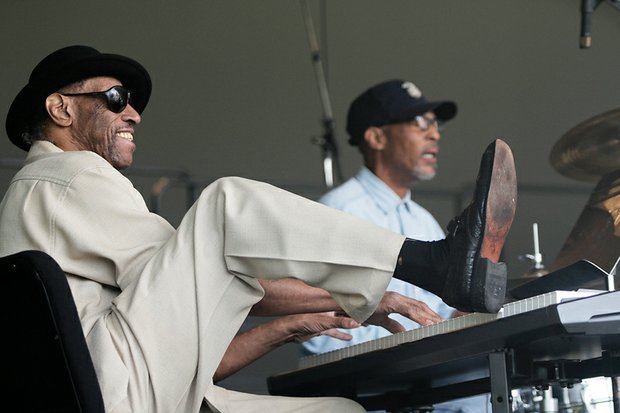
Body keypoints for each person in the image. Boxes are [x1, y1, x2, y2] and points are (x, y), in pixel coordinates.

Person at [0, 45, 517, 413]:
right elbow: (210, 269)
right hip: (116, 389)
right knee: (226, 206)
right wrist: (371, 297)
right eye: (115, 98)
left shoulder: (47, 196)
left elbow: (194, 314)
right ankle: (433, 263)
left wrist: (293, 322)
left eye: (134, 103)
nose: (133, 113)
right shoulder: (68, 175)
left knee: (340, 411)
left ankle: (434, 264)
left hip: (127, 388)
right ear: (60, 107)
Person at [301, 80, 492, 412]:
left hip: (426, 385)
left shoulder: (424, 221)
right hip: (369, 394)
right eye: (421, 124)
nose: (435, 135)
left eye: (436, 124)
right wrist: (411, 346)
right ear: (376, 137)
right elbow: (318, 335)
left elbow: (442, 314)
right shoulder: (337, 212)